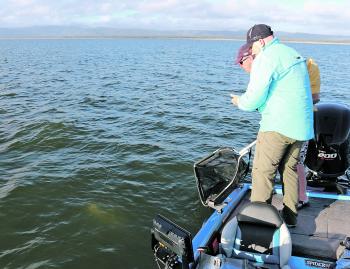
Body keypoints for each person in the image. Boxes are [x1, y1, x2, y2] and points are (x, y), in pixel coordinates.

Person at [231, 24, 314, 227]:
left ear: (260, 42)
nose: (252, 50)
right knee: (289, 170)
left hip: (278, 127)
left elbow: (253, 99)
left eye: (253, 46)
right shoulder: (292, 53)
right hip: (301, 127)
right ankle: (290, 219)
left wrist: (239, 101)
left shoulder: (267, 57)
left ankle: (259, 224)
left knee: (262, 173)